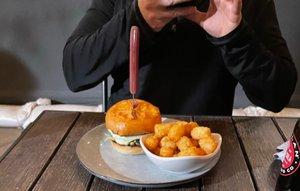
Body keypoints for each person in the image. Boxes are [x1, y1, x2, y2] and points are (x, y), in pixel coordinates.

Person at [63, 0, 297, 115]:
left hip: (205, 147)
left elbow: (277, 95)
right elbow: (75, 71)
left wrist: (233, 37)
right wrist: (140, 19)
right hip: (127, 141)